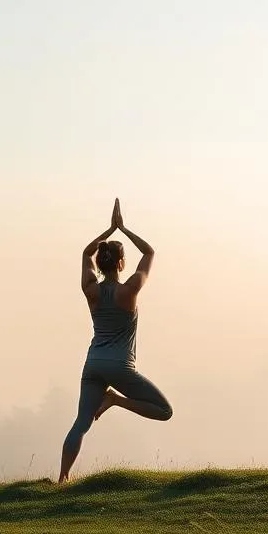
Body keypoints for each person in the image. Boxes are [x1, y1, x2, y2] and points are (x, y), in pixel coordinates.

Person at [59, 198, 173, 483]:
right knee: (164, 411)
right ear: (121, 263)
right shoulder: (131, 289)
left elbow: (86, 252)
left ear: (99, 264)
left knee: (81, 424)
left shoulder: (90, 289)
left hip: (93, 364)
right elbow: (149, 252)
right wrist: (123, 228)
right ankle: (115, 400)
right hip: (120, 367)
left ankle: (62, 479)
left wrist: (109, 231)